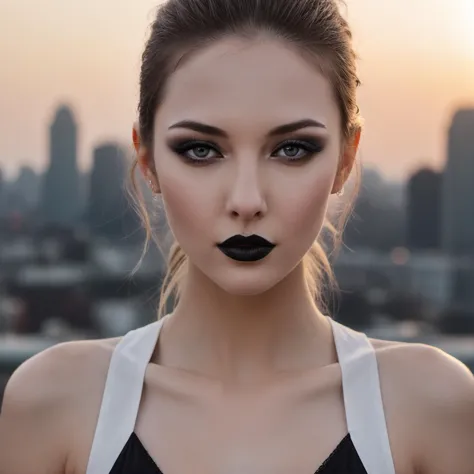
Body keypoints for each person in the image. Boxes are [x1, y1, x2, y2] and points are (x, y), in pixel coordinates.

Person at [1, 0, 473, 473]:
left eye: (292, 149)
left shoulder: (433, 407)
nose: (247, 200)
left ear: (345, 160)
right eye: (201, 150)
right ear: (147, 161)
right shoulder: (52, 405)